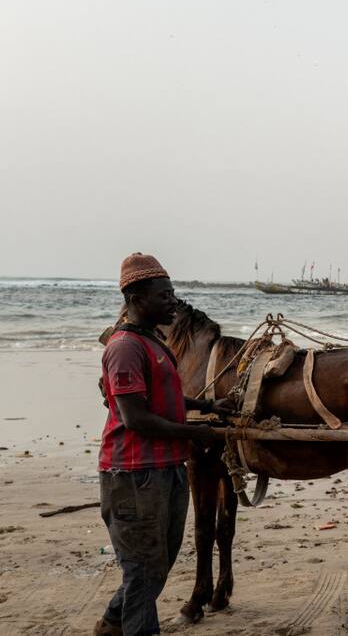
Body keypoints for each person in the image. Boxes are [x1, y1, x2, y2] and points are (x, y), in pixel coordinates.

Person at [94, 253, 224, 636]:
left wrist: (205, 406)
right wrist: (195, 434)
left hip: (166, 468)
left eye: (172, 293)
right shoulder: (124, 349)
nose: (173, 301)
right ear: (137, 298)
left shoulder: (152, 342)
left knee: (158, 563)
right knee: (142, 569)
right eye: (164, 295)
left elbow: (162, 397)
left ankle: (113, 623)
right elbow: (137, 418)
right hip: (134, 475)